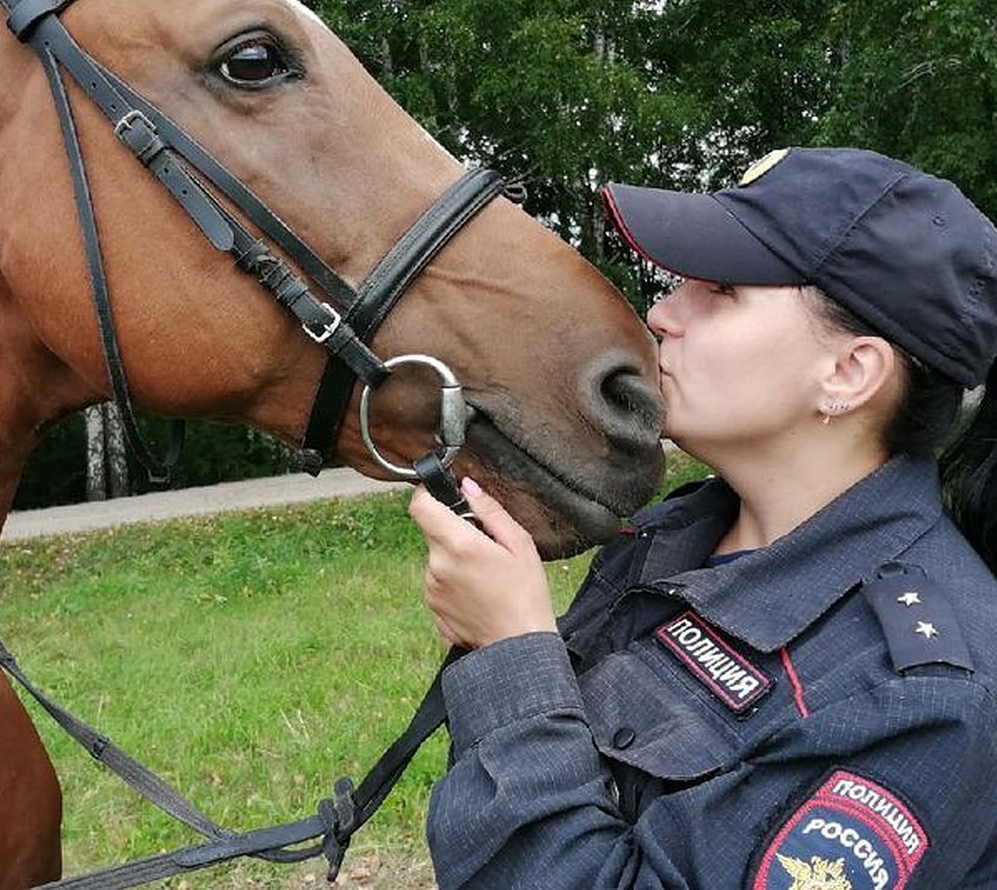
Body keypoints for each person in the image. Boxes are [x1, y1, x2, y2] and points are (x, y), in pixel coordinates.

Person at [409, 146, 997, 890]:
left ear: (849, 372)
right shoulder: (676, 532)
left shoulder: (918, 697)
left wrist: (510, 654)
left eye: (719, 289)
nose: (662, 313)